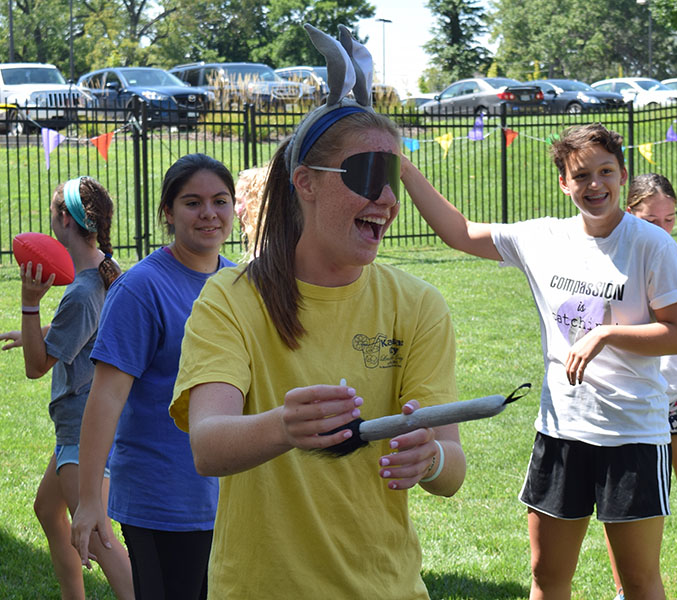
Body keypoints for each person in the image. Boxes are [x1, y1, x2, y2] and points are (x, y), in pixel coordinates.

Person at [167, 24, 465, 599]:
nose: (388, 201)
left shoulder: (418, 305)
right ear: (304, 182)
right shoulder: (231, 297)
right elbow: (208, 445)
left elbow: (451, 467)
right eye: (368, 177)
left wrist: (429, 460)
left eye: (394, 178)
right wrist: (285, 425)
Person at [402, 122, 677, 600]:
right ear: (564, 183)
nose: (594, 185)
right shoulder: (543, 238)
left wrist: (606, 334)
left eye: (605, 171)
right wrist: (404, 167)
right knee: (546, 576)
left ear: (623, 174)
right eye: (581, 176)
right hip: (561, 433)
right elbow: (459, 233)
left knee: (640, 582)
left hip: (632, 435)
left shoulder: (650, 244)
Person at [70, 154, 236, 600]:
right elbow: (105, 398)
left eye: (220, 201)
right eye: (192, 202)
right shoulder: (141, 288)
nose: (209, 214)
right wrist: (89, 500)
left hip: (232, 502)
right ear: (167, 212)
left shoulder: (242, 285)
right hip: (163, 504)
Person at [0, 177, 133, 599]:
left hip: (82, 429)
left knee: (99, 542)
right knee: (46, 509)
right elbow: (83, 334)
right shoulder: (105, 271)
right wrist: (36, 331)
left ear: (62, 220)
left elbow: (37, 368)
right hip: (82, 426)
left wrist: (29, 303)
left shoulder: (82, 290)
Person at [605, 173, 677, 600]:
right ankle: (625, 591)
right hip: (632, 403)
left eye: (670, 219)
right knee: (622, 510)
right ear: (630, 214)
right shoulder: (614, 265)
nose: (664, 230)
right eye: (652, 221)